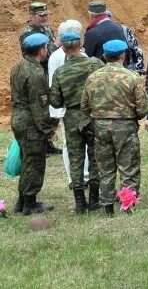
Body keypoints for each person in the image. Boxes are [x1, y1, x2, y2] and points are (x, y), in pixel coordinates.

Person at [82, 40, 148, 217]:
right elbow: (142, 109)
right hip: (126, 126)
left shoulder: (92, 77)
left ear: (104, 56)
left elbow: (85, 107)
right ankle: (128, 207)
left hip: (100, 127)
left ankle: (107, 208)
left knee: (105, 169)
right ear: (123, 55)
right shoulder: (133, 77)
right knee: (129, 168)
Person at [49, 30, 104, 213]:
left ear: (63, 49)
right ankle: (95, 199)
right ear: (81, 45)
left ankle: (80, 203)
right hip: (93, 115)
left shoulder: (60, 72)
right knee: (95, 156)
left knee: (75, 159)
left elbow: (55, 101)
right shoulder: (95, 64)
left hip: (72, 117)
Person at [11, 34, 58, 215]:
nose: (47, 50)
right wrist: (49, 130)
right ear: (41, 50)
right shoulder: (36, 74)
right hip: (30, 122)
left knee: (27, 160)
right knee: (35, 162)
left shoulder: (18, 67)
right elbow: (38, 107)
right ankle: (30, 203)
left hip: (19, 119)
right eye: (46, 47)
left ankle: (21, 202)